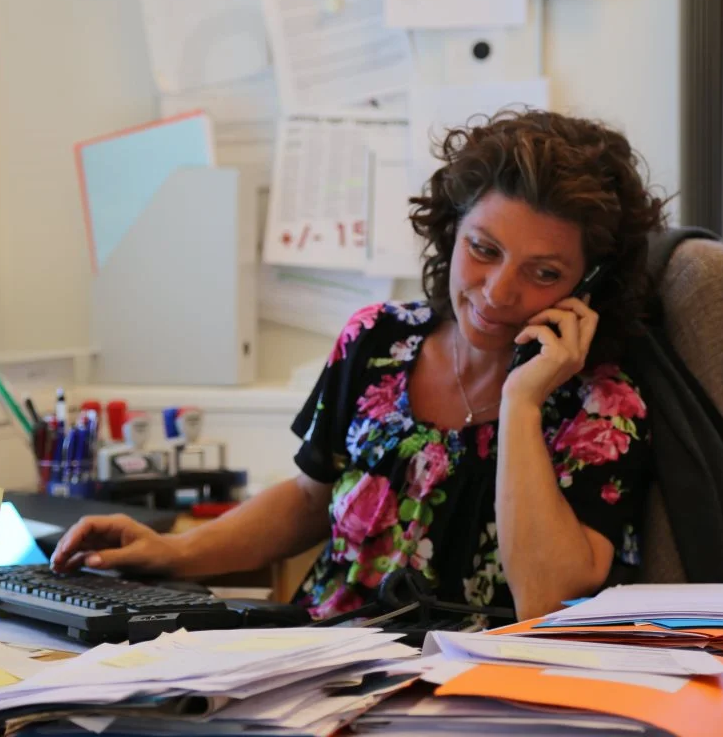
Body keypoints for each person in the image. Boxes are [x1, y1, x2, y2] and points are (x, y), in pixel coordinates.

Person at [50, 110, 668, 625]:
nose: (499, 292)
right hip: (309, 671)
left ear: (588, 286)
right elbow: (308, 499)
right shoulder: (377, 338)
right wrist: (171, 552)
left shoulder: (604, 408)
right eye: (484, 250)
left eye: (544, 273)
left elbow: (544, 601)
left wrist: (522, 404)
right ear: (451, 231)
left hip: (471, 702)